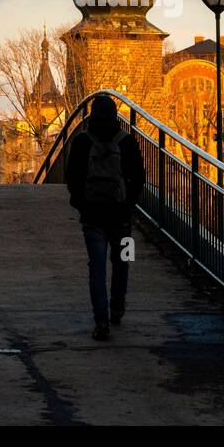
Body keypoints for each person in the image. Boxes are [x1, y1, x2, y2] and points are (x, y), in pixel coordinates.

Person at [65, 93, 144, 341]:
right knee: (122, 262)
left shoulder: (81, 142)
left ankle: (101, 321)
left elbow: (72, 178)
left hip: (92, 217)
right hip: (120, 217)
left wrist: (81, 204)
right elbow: (139, 178)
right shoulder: (127, 141)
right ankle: (117, 307)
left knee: (96, 267)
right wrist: (128, 205)